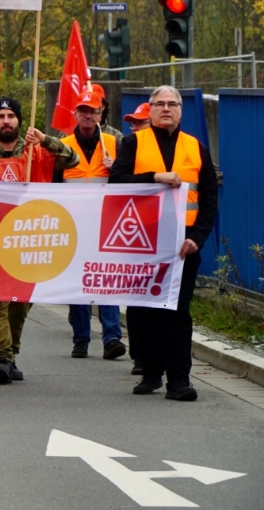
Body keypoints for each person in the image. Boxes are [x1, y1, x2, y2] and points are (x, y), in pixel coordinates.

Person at [110, 86, 219, 402]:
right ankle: (151, 372)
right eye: (160, 104)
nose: (167, 109)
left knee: (177, 312)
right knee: (143, 310)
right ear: (151, 109)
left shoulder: (196, 148)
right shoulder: (133, 143)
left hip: (183, 246)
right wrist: (155, 177)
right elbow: (116, 183)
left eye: (173, 104)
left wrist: (197, 239)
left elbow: (209, 199)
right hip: (141, 243)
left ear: (181, 111)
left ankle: (179, 380)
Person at [0, 96, 79, 383]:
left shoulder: (37, 153)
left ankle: (11, 354)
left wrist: (45, 140)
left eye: (11, 116)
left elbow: (73, 159)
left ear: (19, 121)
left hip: (29, 242)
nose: (6, 121)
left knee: (20, 303)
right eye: (1, 116)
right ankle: (2, 358)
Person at [51, 87, 127, 361]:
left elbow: (130, 180)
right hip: (73, 225)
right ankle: (81, 339)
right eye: (83, 111)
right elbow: (53, 185)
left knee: (106, 279)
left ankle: (112, 338)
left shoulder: (114, 143)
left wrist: (115, 168)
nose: (87, 116)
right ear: (76, 114)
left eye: (92, 111)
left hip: (107, 225)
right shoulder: (64, 144)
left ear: (100, 113)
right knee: (78, 281)